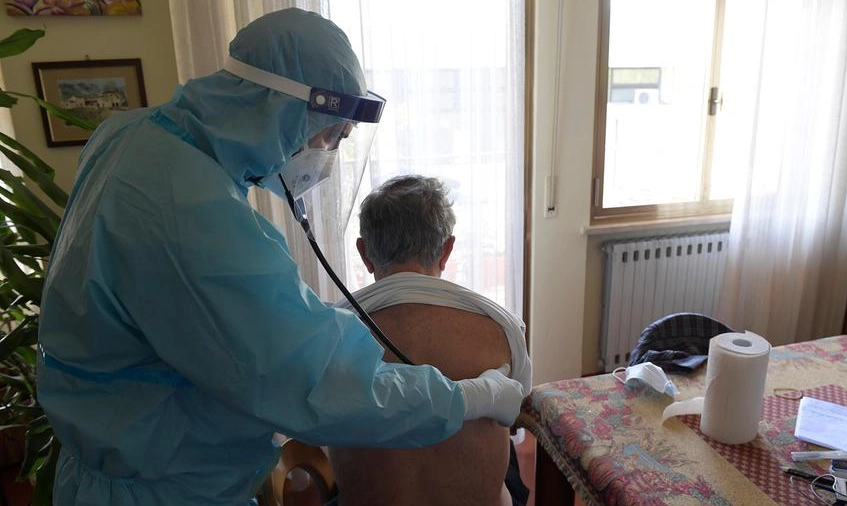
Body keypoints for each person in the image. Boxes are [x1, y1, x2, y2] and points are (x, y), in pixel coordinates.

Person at [35, 8, 526, 506]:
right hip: (166, 489)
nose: (326, 154)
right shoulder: (193, 213)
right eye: (331, 135)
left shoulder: (132, 138)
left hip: (126, 465)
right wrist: (472, 396)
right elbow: (320, 384)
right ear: (286, 107)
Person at [329, 175, 533, 506]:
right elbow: (516, 415)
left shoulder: (330, 332)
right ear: (446, 250)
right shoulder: (500, 327)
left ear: (364, 254)